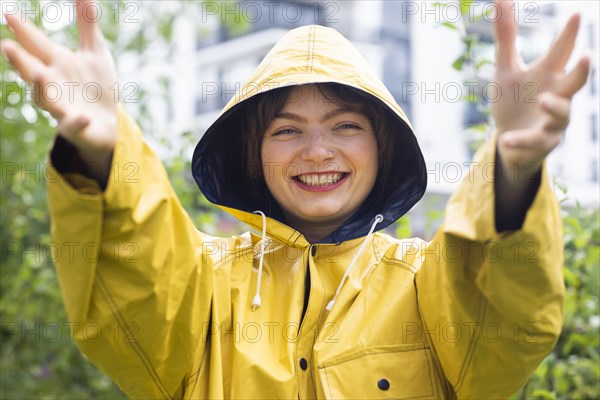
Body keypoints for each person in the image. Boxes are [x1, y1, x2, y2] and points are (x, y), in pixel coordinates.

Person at [1, 0, 590, 398]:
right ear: (252, 153)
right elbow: (131, 292)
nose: (316, 151)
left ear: (383, 147)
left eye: (345, 127)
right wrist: (105, 157)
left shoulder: (424, 281)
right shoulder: (203, 284)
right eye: (285, 130)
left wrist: (512, 169)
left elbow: (509, 327)